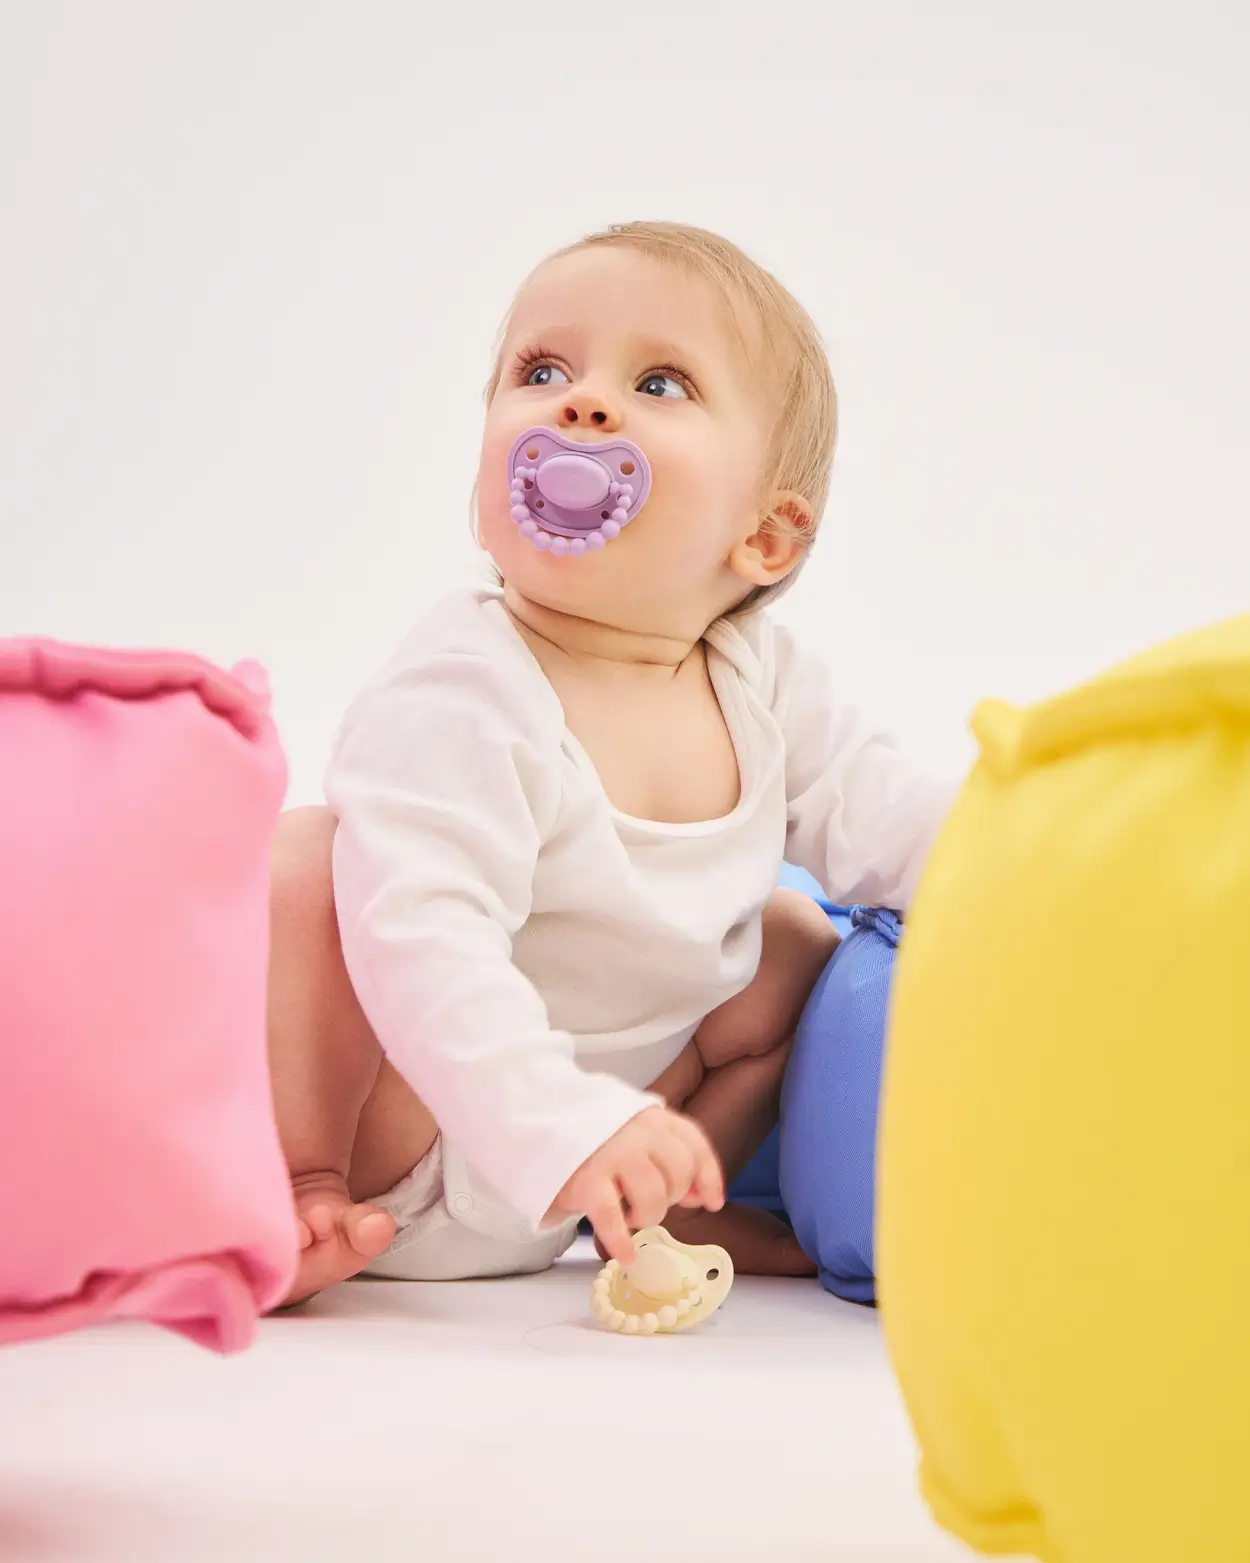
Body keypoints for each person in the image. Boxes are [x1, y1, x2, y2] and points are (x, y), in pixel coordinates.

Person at [267, 221, 950, 1306]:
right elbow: (425, 944)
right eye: (541, 372)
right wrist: (558, 1122)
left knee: (796, 943)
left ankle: (676, 1199)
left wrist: (1056, 858)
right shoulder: (464, 687)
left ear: (765, 539)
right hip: (398, 1138)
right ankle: (292, 1183)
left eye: (658, 383)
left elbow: (896, 821)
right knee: (314, 859)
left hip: (587, 1165)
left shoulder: (759, 682)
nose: (581, 404)